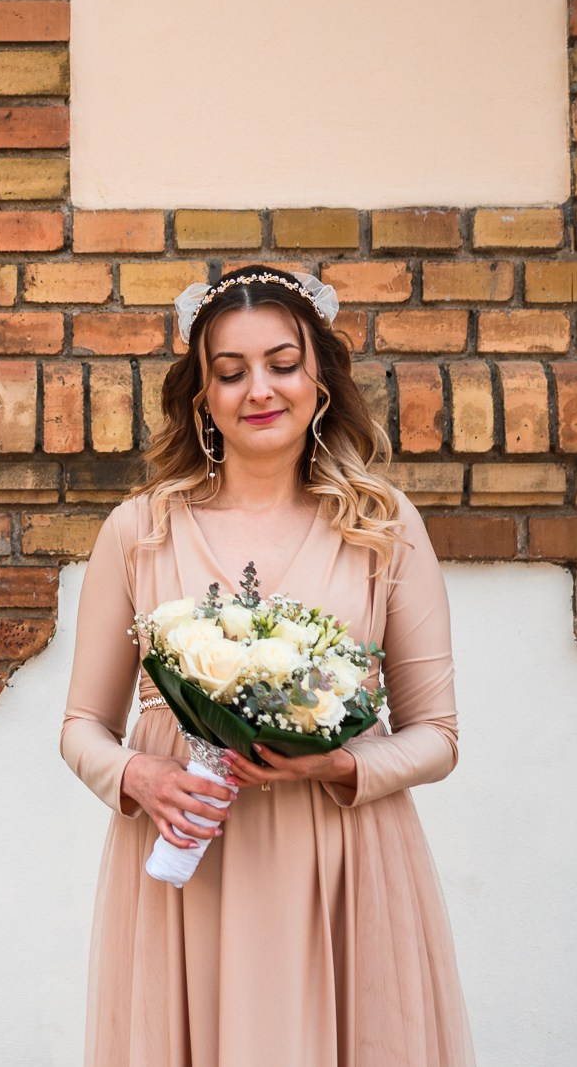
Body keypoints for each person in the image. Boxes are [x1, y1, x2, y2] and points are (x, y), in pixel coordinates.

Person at [59, 265, 476, 1066]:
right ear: (202, 396)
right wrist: (138, 779)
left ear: (320, 381)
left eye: (283, 363)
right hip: (189, 868)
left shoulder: (382, 528)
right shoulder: (138, 532)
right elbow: (82, 726)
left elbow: (440, 736)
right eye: (231, 370)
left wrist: (343, 760)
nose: (260, 388)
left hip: (340, 865)